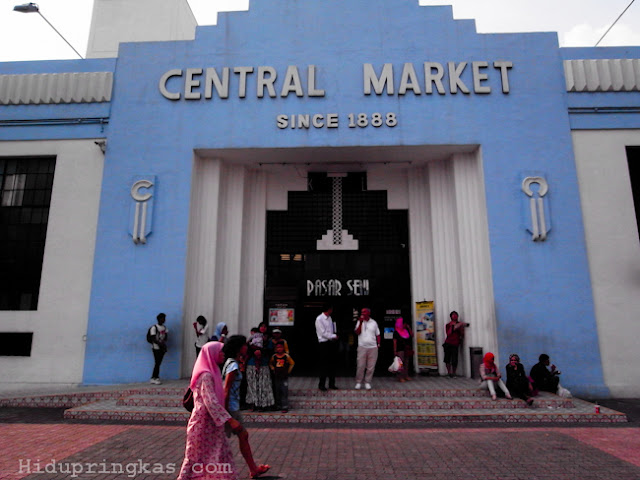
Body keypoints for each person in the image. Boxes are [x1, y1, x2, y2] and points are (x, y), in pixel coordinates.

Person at [176, 341, 240, 480]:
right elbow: (210, 402)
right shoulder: (206, 375)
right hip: (203, 424)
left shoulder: (213, 372)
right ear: (212, 354)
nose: (223, 354)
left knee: (220, 456)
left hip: (211, 424)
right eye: (220, 352)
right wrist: (229, 419)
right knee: (196, 458)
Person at [222, 335, 270, 479]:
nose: (246, 347)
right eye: (243, 345)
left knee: (241, 436)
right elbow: (226, 390)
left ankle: (253, 469)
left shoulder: (231, 363)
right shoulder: (233, 365)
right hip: (231, 408)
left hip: (232, 407)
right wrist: (226, 415)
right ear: (238, 348)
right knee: (230, 438)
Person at [245, 322, 275, 411]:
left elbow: (270, 351)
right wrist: (254, 352)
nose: (263, 328)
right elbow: (247, 349)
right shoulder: (252, 338)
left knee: (263, 385)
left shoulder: (269, 340)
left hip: (263, 364)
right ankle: (253, 403)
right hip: (252, 364)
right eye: (261, 326)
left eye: (265, 326)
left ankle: (263, 404)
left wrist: (262, 352)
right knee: (252, 385)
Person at [354, 308, 380, 390]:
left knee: (370, 367)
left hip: (372, 347)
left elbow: (378, 334)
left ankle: (367, 382)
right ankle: (358, 382)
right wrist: (361, 322)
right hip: (362, 346)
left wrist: (378, 344)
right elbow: (357, 332)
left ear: (368, 313)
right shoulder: (359, 321)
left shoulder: (374, 322)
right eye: (362, 312)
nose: (362, 313)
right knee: (361, 365)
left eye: (364, 312)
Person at [315, 304, 339, 391]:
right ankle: (321, 384)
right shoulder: (319, 319)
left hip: (331, 343)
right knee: (324, 364)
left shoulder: (330, 318)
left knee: (332, 364)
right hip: (324, 343)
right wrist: (333, 336)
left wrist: (334, 336)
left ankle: (332, 384)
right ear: (329, 309)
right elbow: (322, 333)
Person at [269, 340, 295, 412]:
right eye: (277, 348)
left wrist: (288, 371)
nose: (279, 349)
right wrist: (273, 369)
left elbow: (292, 363)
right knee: (277, 391)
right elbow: (270, 363)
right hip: (277, 376)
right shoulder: (274, 356)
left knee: (284, 391)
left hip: (284, 376)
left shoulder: (286, 356)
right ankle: (278, 405)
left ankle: (284, 406)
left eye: (281, 347)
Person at [443, 311, 468, 378]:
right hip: (448, 343)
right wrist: (454, 326)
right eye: (453, 315)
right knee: (447, 359)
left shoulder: (460, 325)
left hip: (455, 343)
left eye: (456, 315)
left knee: (454, 359)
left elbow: (462, 334)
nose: (455, 316)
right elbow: (448, 333)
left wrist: (460, 327)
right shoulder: (448, 325)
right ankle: (449, 373)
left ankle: (454, 373)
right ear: (451, 316)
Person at [149, 312, 168, 385]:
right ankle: (155, 377)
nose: (164, 320)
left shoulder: (164, 328)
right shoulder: (154, 328)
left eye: (164, 318)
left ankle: (154, 377)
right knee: (157, 362)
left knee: (158, 363)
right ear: (159, 319)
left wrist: (164, 343)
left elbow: (166, 337)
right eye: (162, 318)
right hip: (156, 347)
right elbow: (153, 338)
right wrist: (160, 344)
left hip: (162, 347)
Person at [393, 317, 413, 383]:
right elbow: (395, 342)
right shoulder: (396, 332)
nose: (405, 325)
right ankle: (400, 377)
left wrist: (409, 328)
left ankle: (406, 375)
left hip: (406, 348)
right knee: (400, 364)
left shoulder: (406, 331)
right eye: (403, 324)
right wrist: (395, 351)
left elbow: (412, 335)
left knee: (406, 363)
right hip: (400, 348)